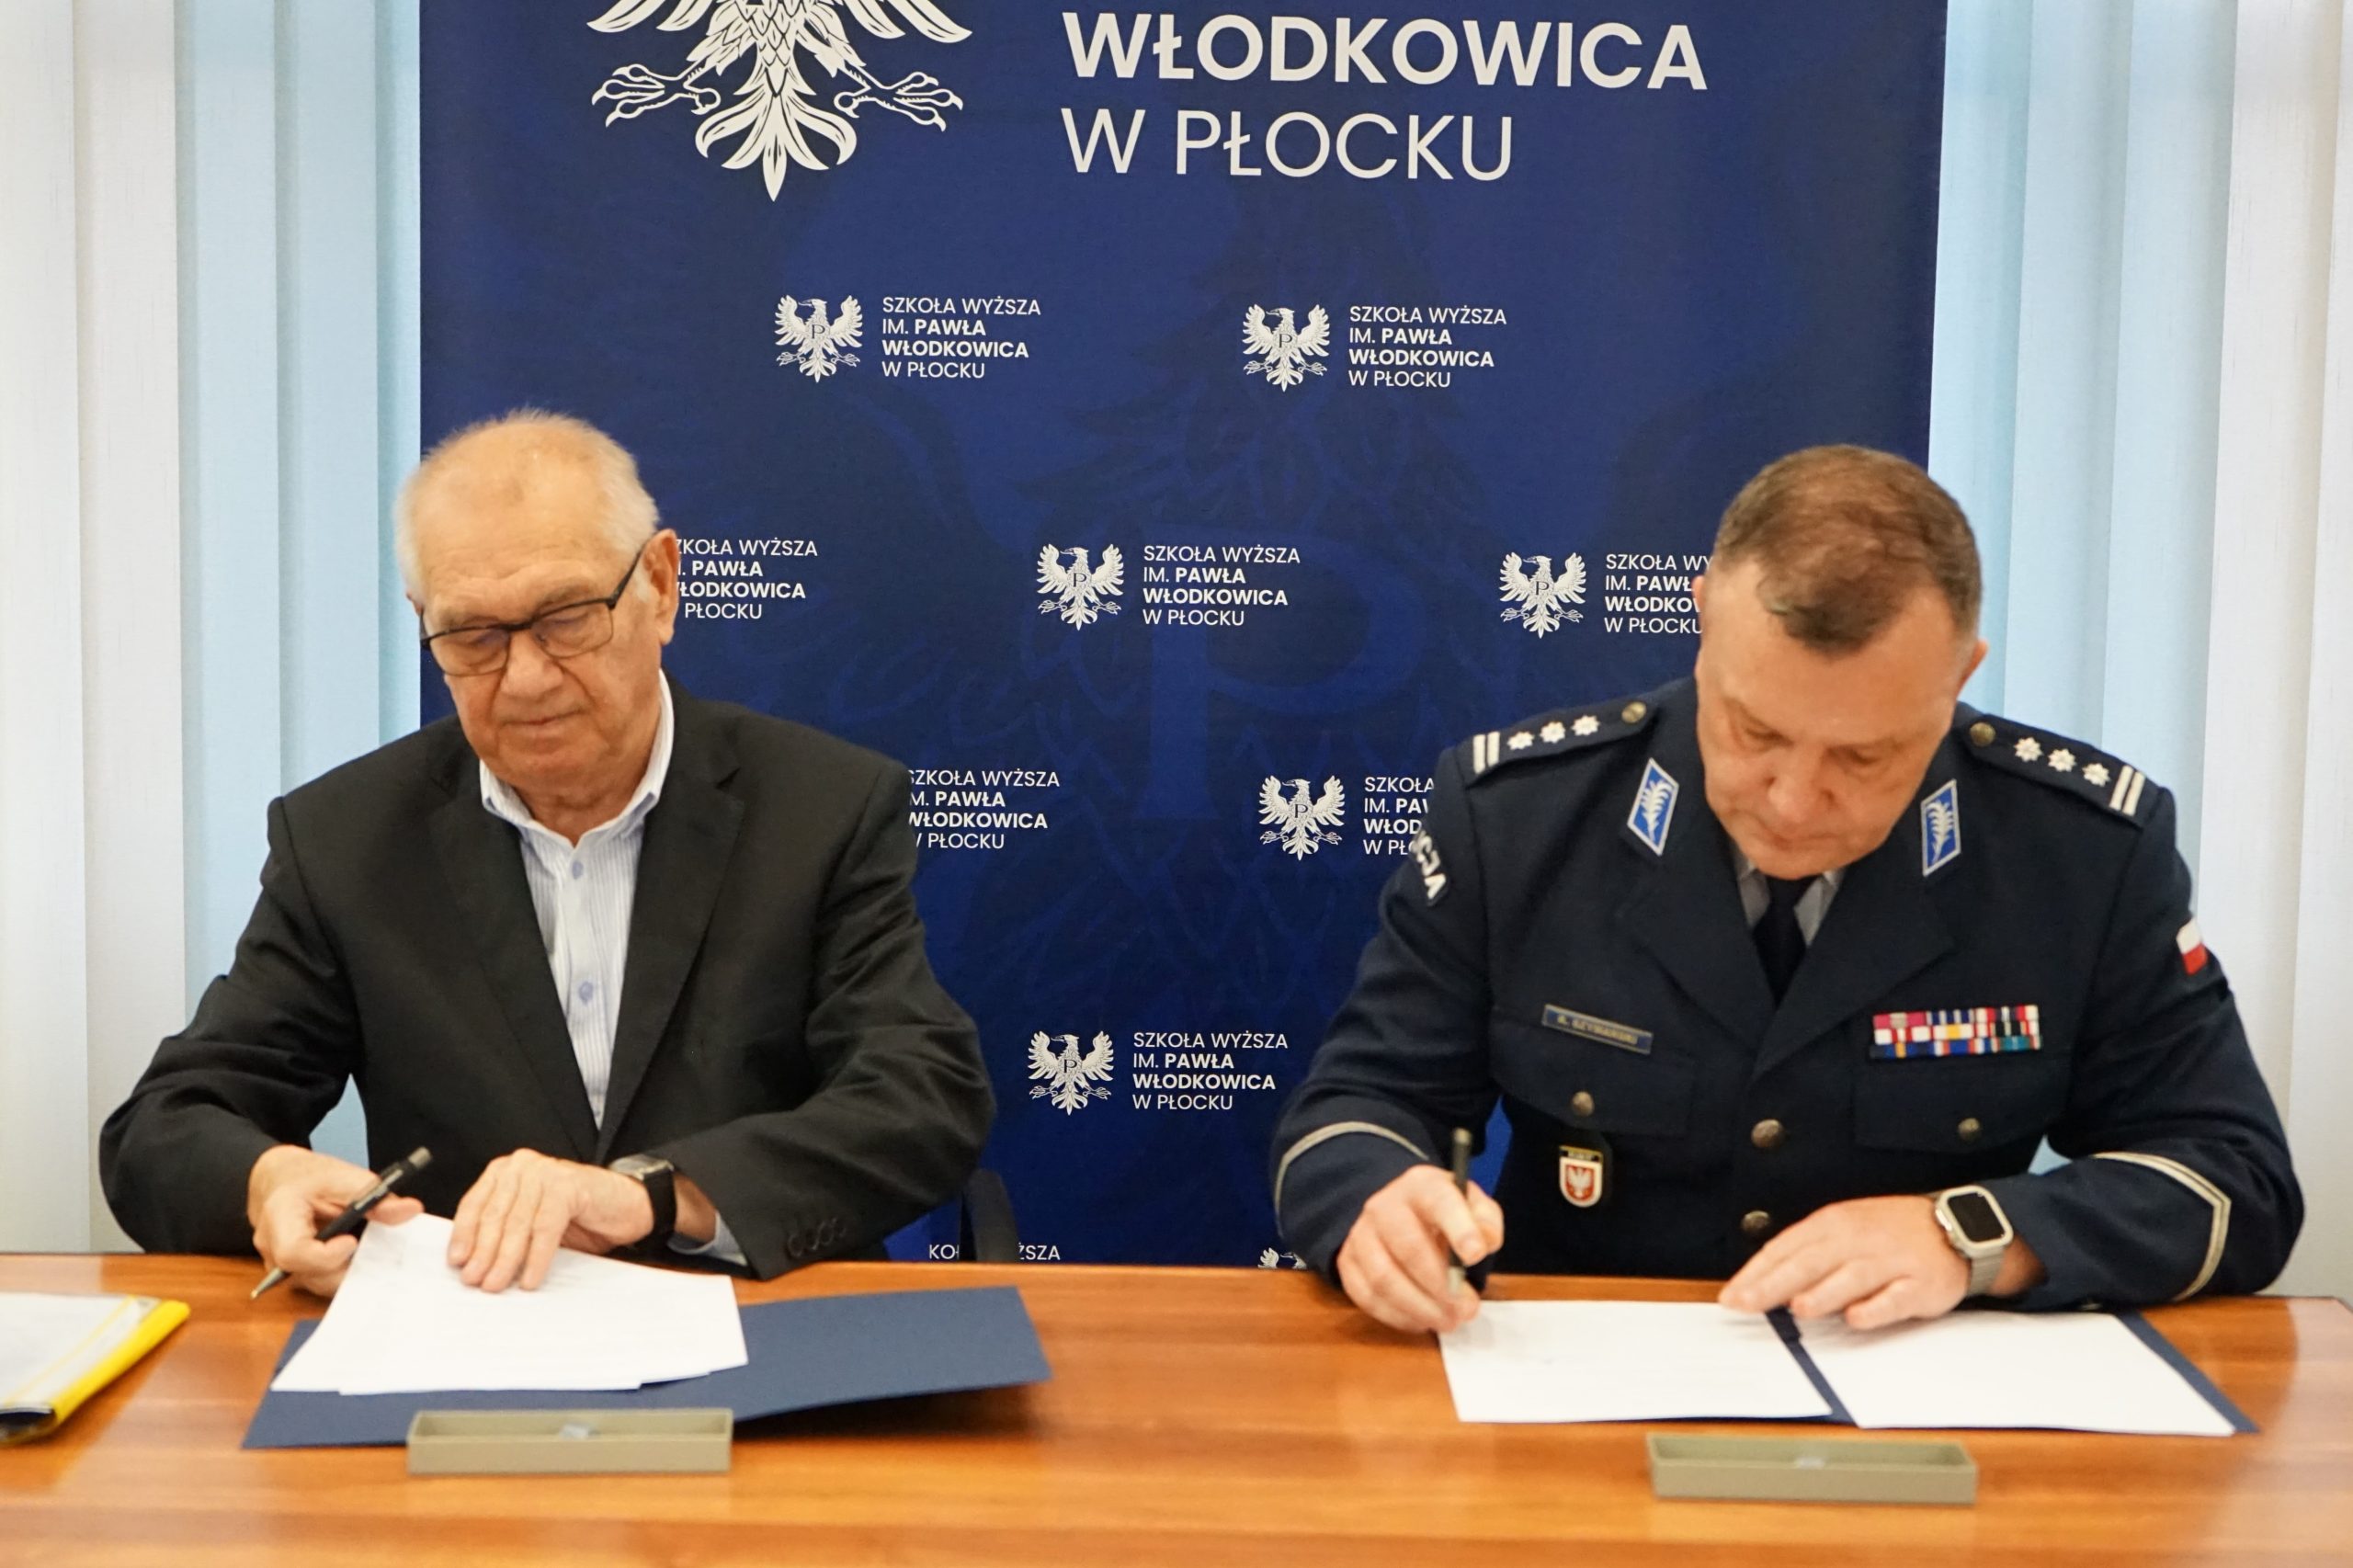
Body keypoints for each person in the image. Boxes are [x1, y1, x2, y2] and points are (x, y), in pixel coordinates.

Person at [1271, 445, 2301, 1335]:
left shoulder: (2081, 855)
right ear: (1701, 625)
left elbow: (2234, 1178)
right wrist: (1378, 1201)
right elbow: (1364, 1103)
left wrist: (1973, 1235)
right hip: (1581, 1387)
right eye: (1755, 731)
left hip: (1918, 1398)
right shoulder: (1517, 821)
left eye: (1865, 755)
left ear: (1959, 676)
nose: (1795, 800)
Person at [102, 411, 993, 1295]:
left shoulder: (821, 808)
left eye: (566, 618)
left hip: (762, 1320)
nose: (525, 679)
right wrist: (267, 1180)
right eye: (473, 636)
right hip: (475, 1328)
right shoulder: (347, 839)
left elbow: (920, 1099)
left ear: (660, 585)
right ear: (424, 623)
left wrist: (655, 1195)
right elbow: (164, 1126)